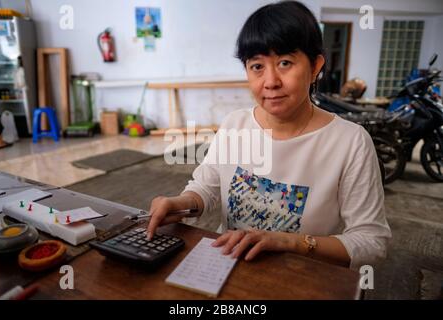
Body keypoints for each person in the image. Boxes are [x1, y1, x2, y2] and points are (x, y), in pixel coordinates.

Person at [147, 0, 391, 269]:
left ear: (315, 67)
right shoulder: (235, 125)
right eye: (257, 67)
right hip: (227, 266)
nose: (271, 81)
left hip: (302, 277)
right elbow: (206, 189)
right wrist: (179, 205)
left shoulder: (350, 142)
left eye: (285, 62)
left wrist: (291, 242)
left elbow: (371, 242)